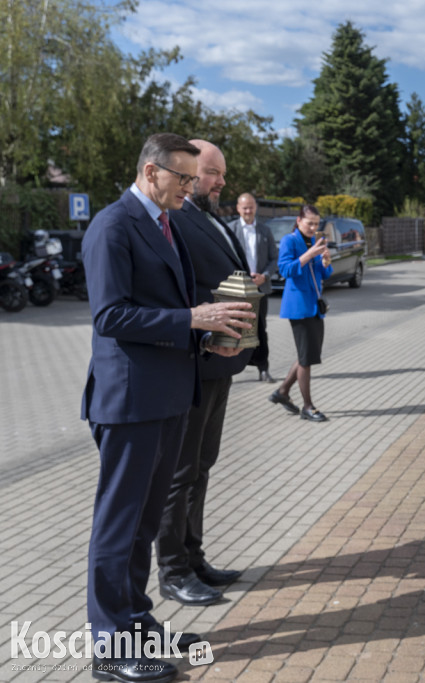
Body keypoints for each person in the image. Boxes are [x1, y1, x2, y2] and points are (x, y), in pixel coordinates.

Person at [82, 133, 254, 683]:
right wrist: (192, 321)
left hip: (171, 395)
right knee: (119, 528)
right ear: (152, 172)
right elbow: (110, 317)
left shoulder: (164, 224)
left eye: (191, 177)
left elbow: (172, 308)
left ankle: (136, 623)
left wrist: (210, 336)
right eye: (182, 177)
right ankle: (111, 648)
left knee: (143, 525)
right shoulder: (113, 225)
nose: (190, 187)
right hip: (131, 402)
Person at [156, 140, 253, 608]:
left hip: (220, 361)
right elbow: (174, 287)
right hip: (193, 361)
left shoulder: (211, 216)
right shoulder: (174, 218)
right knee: (180, 472)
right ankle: (172, 570)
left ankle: (194, 558)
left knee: (202, 466)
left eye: (217, 175)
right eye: (211, 173)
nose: (218, 182)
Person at [269, 204, 332, 422]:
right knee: (306, 358)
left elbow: (323, 274)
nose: (313, 227)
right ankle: (308, 407)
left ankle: (283, 391)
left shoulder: (316, 241)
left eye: (317, 223)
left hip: (315, 306)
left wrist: (325, 261)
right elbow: (285, 270)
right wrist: (308, 255)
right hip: (298, 307)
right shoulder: (290, 241)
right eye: (309, 223)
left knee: (308, 354)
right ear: (299, 221)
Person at [229, 192, 278, 382]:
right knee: (236, 329)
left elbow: (274, 258)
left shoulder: (265, 231)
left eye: (251, 207)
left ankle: (263, 368)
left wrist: (264, 276)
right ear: (238, 209)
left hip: (260, 288)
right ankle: (231, 370)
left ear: (255, 208)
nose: (248, 211)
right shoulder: (230, 230)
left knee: (259, 329)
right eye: (244, 207)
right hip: (238, 289)